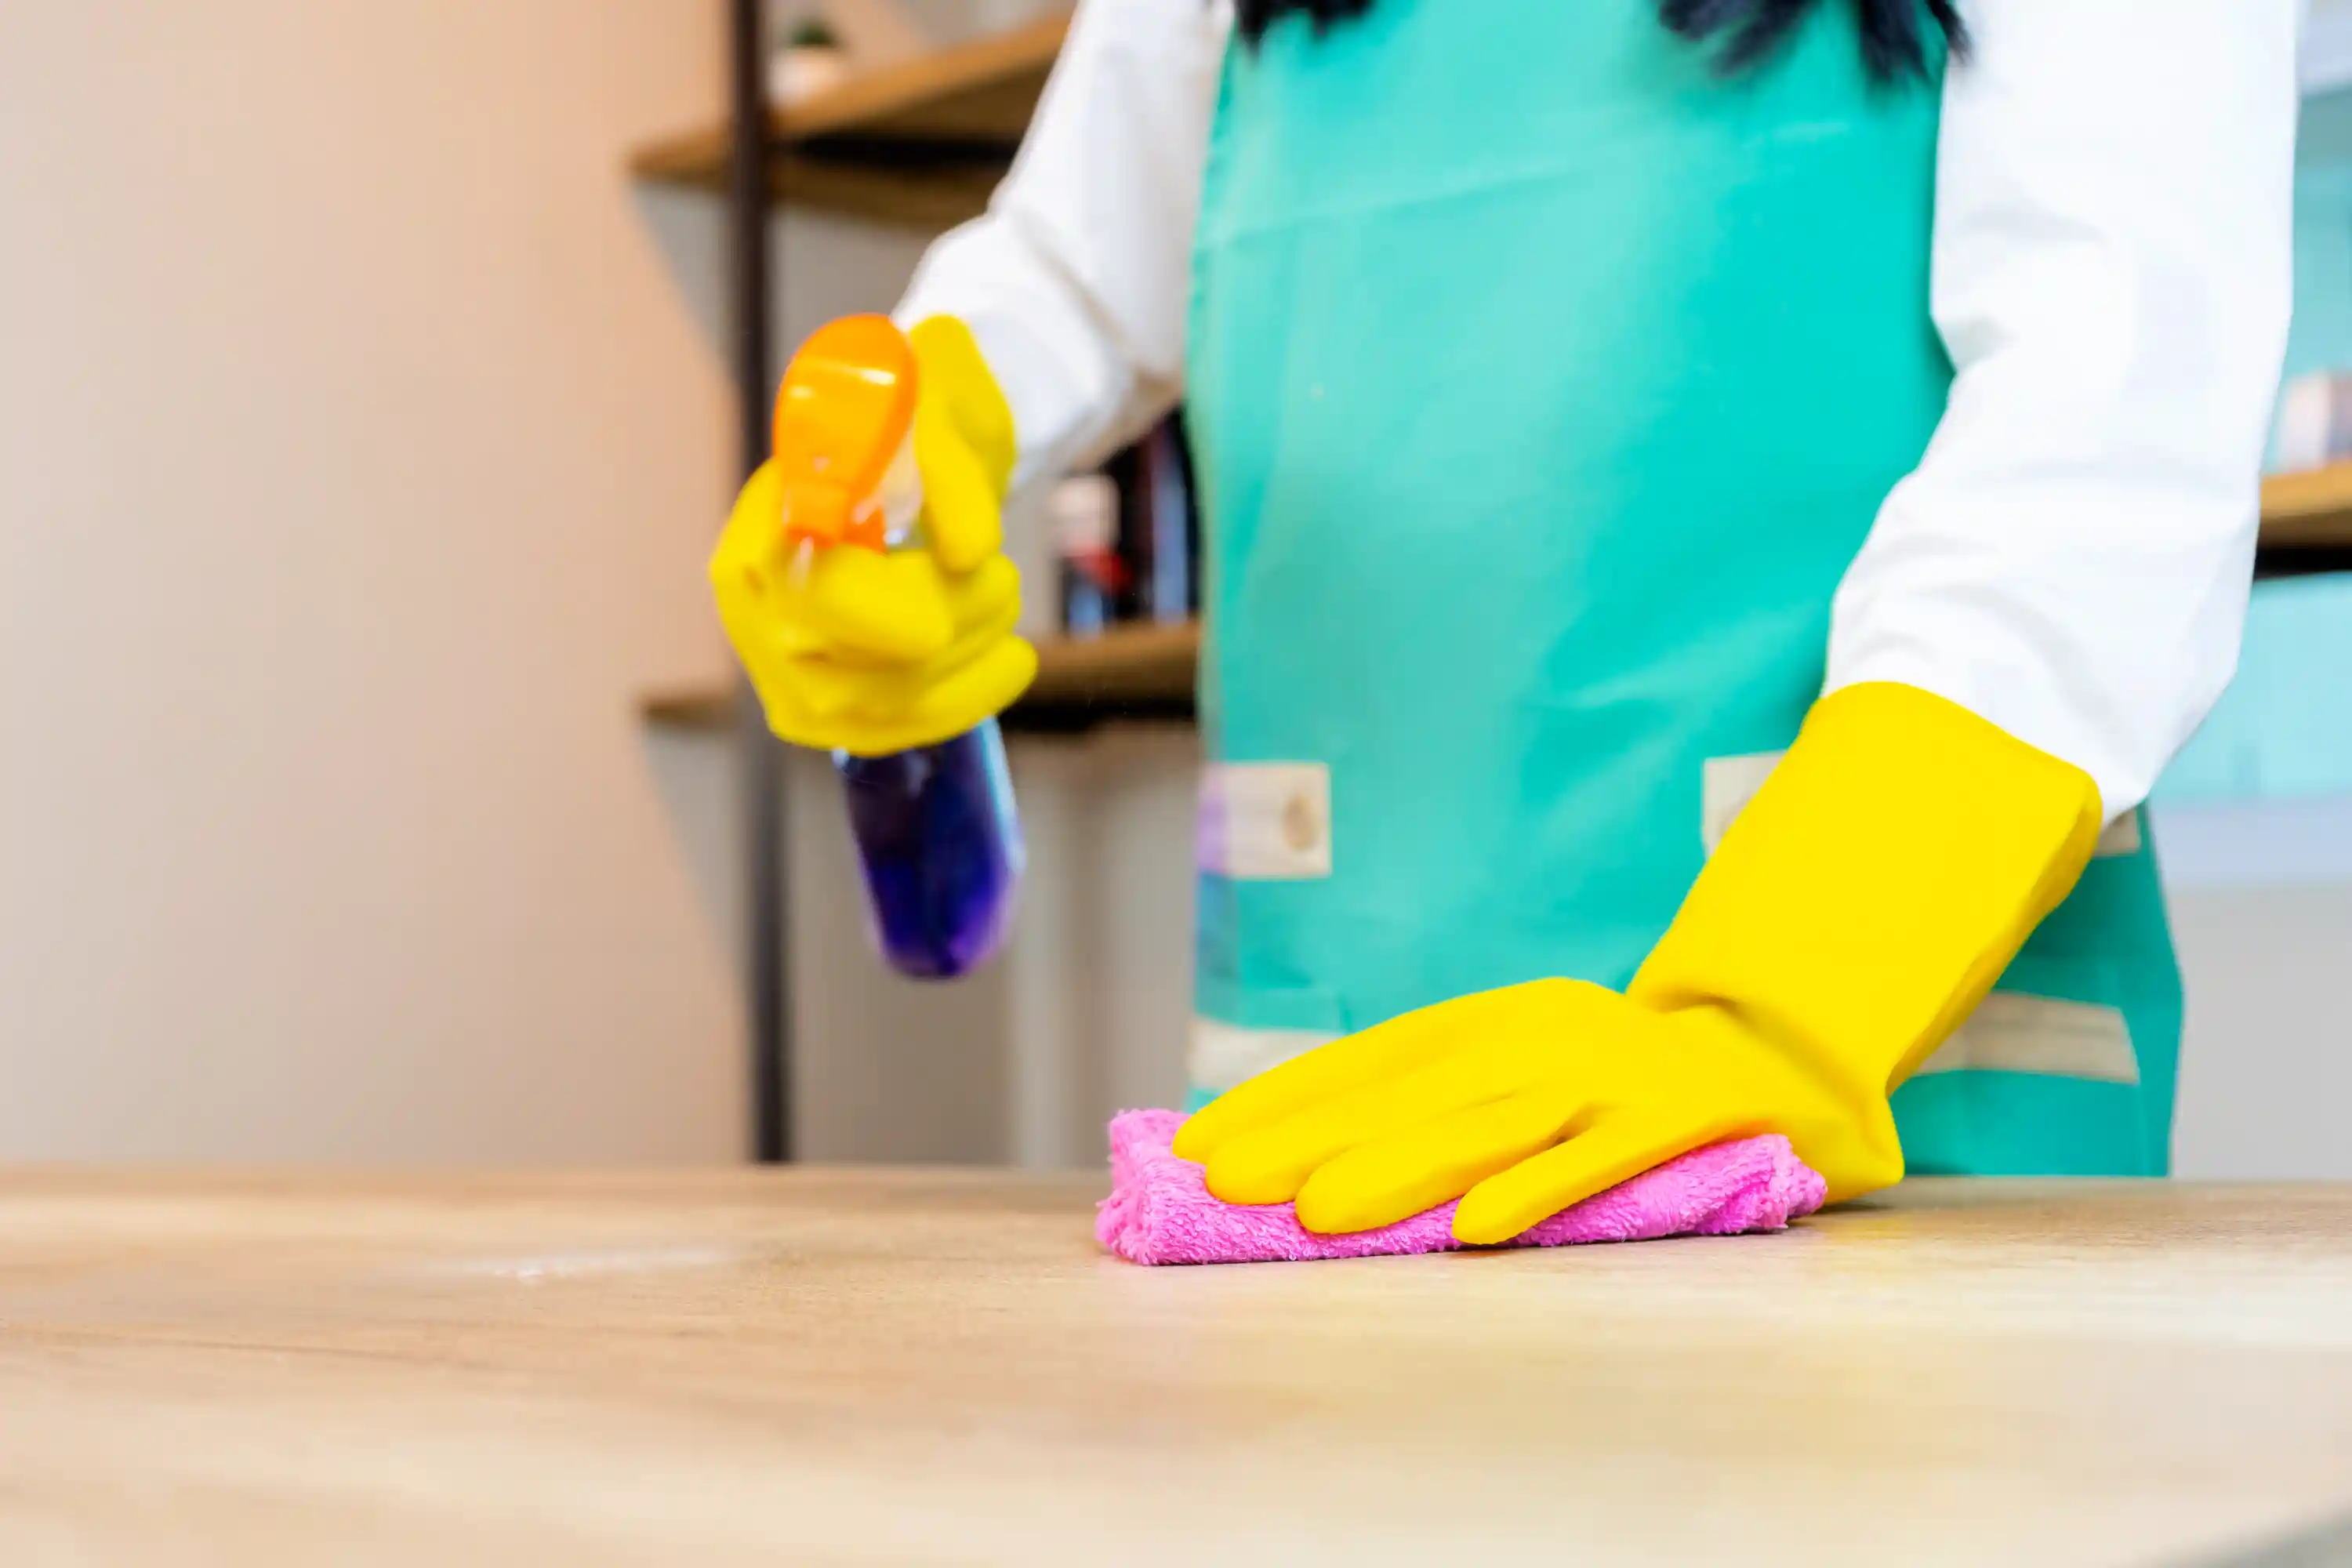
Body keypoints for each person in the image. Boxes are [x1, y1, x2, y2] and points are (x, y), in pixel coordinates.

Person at [712, 0, 2297, 1241]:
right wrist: (928, 442)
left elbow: (2110, 413)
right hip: (1330, 1114)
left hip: (1902, 1098)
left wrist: (1794, 987)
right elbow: (1066, 262)